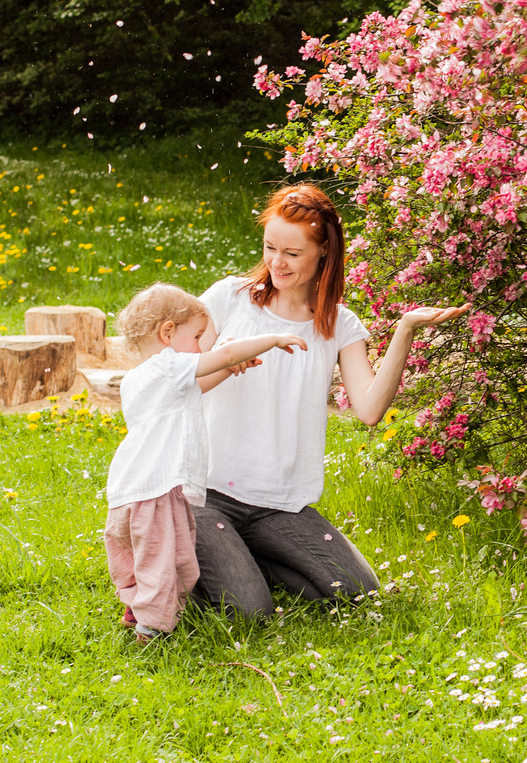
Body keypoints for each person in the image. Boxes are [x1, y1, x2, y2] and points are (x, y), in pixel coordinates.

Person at [193, 184, 468, 618]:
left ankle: (246, 554)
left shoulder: (338, 323)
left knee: (357, 591)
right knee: (249, 612)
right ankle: (203, 556)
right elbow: (180, 384)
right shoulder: (229, 298)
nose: (276, 262)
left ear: (324, 252)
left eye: (292, 253)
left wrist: (406, 328)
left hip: (278, 503)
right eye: (269, 247)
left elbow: (370, 409)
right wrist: (226, 363)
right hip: (206, 493)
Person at [104, 282, 308, 641]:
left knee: (155, 557)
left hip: (130, 492)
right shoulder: (169, 366)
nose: (201, 347)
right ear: (167, 333)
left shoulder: (140, 378)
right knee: (164, 562)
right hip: (156, 491)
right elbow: (222, 356)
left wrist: (230, 369)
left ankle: (137, 608)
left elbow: (201, 383)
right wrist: (273, 338)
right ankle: (153, 630)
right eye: (197, 337)